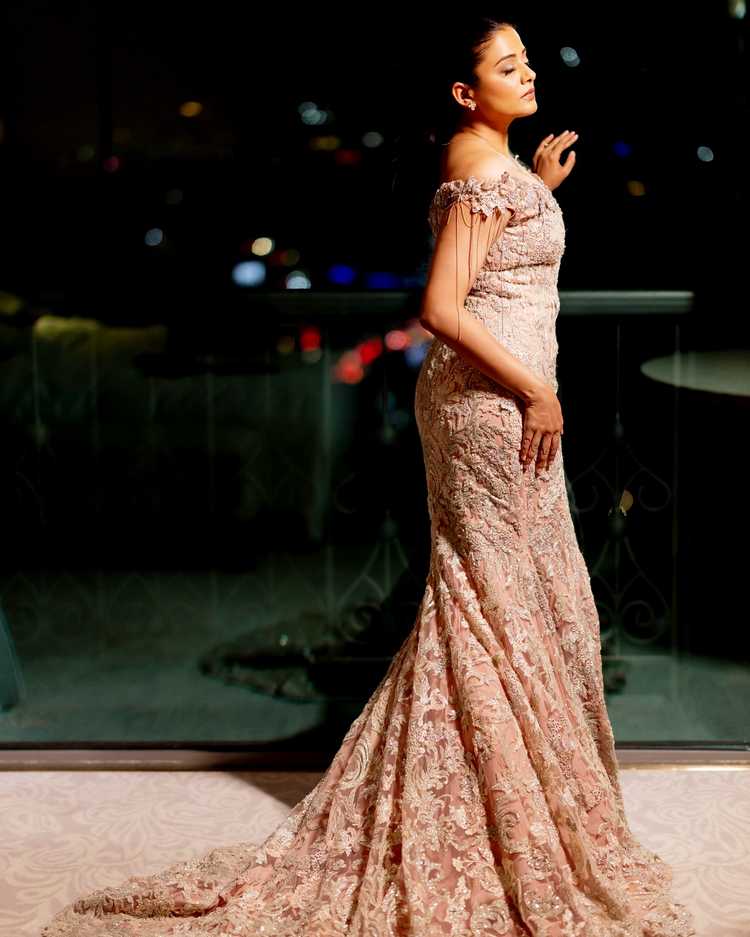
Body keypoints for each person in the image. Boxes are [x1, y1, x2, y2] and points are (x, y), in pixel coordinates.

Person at [41, 17, 697, 937]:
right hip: (488, 407)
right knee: (496, 604)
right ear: (465, 92)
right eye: (508, 65)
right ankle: (506, 814)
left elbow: (503, 264)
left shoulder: (497, 168)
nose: (529, 73)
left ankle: (522, 804)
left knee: (515, 599)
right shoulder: (477, 169)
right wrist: (536, 390)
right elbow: (440, 307)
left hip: (500, 398)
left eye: (528, 60)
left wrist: (538, 191)